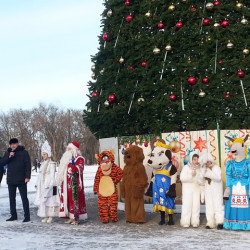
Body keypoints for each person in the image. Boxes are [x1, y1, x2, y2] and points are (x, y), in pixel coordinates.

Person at [0, 138, 31, 222]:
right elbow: (2, 162)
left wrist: (27, 177)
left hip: (21, 179)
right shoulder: (8, 152)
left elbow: (28, 165)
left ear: (17, 144)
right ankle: (13, 215)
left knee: (24, 198)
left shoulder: (24, 153)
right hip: (11, 179)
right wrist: (9, 157)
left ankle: (27, 216)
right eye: (11, 144)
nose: (13, 146)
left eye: (14, 144)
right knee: (11, 198)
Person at [57, 141, 87, 224]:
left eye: (70, 149)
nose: (68, 150)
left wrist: (76, 168)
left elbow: (80, 167)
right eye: (68, 149)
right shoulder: (65, 159)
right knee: (68, 200)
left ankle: (75, 217)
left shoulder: (79, 158)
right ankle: (70, 216)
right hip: (66, 183)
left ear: (74, 149)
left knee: (74, 199)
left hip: (74, 183)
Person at [224, 135, 250, 230]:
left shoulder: (248, 163)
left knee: (245, 208)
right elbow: (229, 176)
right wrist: (227, 187)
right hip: (233, 187)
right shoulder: (230, 163)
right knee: (232, 205)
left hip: (245, 187)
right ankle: (232, 224)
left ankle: (245, 224)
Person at [34, 141, 60, 223]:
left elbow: (52, 175)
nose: (43, 155)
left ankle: (50, 216)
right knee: (43, 199)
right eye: (42, 154)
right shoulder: (42, 164)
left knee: (50, 200)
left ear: (48, 154)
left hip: (49, 183)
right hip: (42, 183)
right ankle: (45, 215)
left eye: (45, 154)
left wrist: (51, 185)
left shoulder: (52, 164)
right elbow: (40, 174)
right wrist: (37, 183)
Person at [198, 153, 224, 229]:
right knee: (209, 206)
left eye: (208, 161)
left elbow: (218, 178)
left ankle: (220, 222)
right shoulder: (204, 169)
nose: (207, 163)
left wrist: (208, 172)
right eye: (206, 162)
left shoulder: (216, 168)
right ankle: (210, 222)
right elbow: (200, 182)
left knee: (218, 205)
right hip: (208, 190)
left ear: (211, 161)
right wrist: (202, 175)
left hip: (216, 189)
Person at [180, 152, 203, 228]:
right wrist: (191, 176)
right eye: (194, 159)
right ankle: (185, 221)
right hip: (187, 190)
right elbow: (182, 178)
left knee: (196, 205)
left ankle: (195, 221)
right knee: (187, 205)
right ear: (191, 159)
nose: (196, 161)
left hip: (196, 189)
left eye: (197, 159)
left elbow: (202, 180)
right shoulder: (186, 167)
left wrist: (200, 179)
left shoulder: (200, 168)